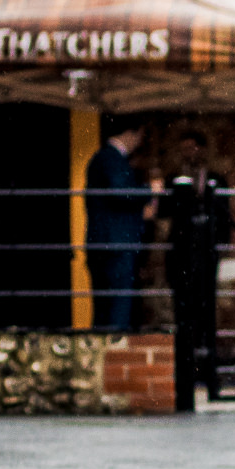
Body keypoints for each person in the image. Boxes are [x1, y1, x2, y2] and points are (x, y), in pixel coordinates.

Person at [84, 116, 159, 331]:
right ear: (130, 132)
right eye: (140, 135)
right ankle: (114, 359)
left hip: (107, 244)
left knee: (107, 310)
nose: (140, 141)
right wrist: (150, 190)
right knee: (117, 310)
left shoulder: (105, 158)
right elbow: (119, 193)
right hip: (115, 245)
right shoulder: (111, 158)